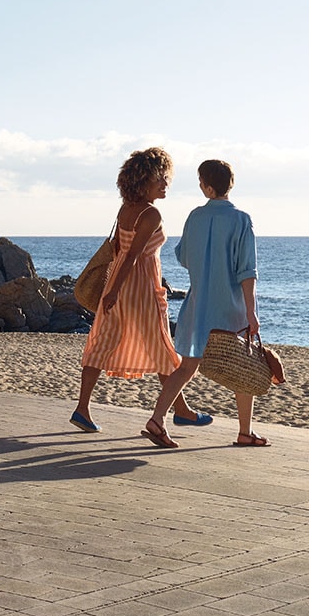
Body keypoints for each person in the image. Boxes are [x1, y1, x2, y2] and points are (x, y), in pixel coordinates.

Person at [70, 147, 211, 433]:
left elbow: (121, 251)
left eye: (165, 177)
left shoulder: (126, 209)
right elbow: (133, 255)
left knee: (102, 342)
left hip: (119, 285)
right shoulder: (151, 214)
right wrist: (114, 291)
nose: (165, 183)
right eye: (159, 178)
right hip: (141, 288)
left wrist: (112, 291)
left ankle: (82, 409)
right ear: (142, 180)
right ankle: (181, 411)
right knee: (161, 347)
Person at [140, 159, 266, 448]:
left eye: (200, 182)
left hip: (198, 307)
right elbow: (247, 271)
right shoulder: (241, 220)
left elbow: (183, 257)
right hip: (229, 307)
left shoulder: (195, 217)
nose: (199, 186)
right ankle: (245, 431)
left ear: (208, 187)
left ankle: (157, 419)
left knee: (186, 367)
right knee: (242, 368)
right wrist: (252, 311)